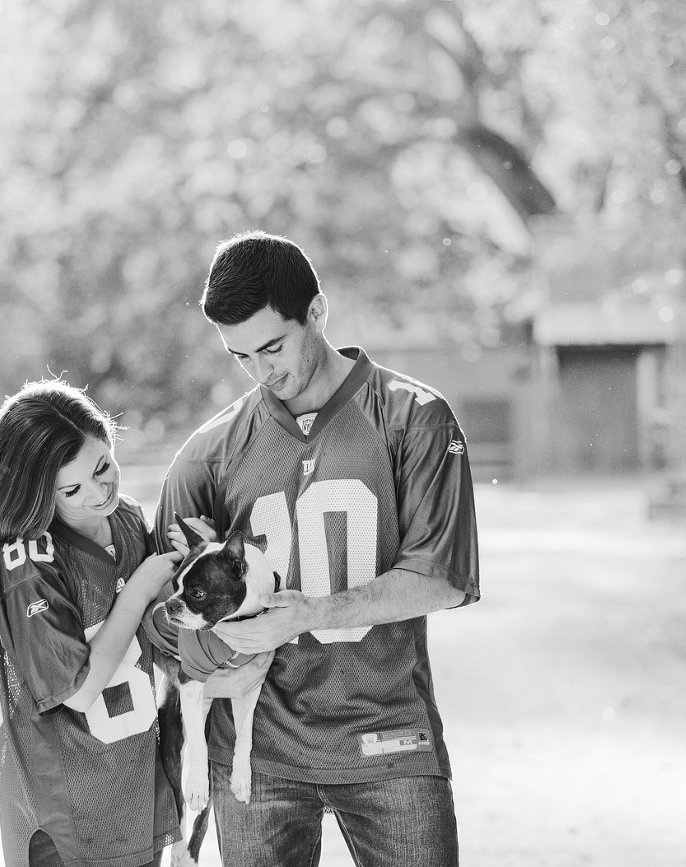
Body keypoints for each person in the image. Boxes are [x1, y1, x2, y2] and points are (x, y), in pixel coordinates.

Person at [154, 231, 480, 866]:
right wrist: (211, 662)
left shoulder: (416, 417)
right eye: (240, 355)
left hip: (389, 737)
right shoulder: (209, 450)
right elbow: (164, 605)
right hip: (257, 750)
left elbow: (441, 576)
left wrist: (311, 614)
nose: (261, 370)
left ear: (318, 312)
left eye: (273, 346)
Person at [0, 380, 184, 867]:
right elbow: (80, 690)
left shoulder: (126, 520)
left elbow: (158, 632)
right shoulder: (27, 563)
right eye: (72, 488)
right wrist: (143, 585)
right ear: (38, 491)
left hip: (134, 790)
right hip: (67, 814)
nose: (99, 492)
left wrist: (189, 562)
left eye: (103, 466)